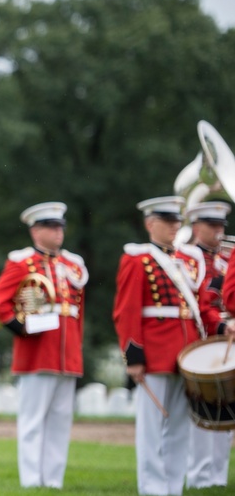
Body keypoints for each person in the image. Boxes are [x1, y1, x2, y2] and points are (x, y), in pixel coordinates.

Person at [114, 196, 233, 496]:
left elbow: (201, 307)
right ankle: (153, 488)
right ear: (150, 223)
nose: (174, 226)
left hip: (186, 352)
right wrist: (133, 355)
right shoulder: (137, 258)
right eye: (167, 221)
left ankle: (172, 486)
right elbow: (126, 311)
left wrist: (222, 325)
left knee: (180, 427)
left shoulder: (189, 259)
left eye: (176, 221)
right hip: (153, 352)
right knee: (152, 429)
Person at [0, 202, 88, 489]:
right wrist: (18, 326)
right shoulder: (22, 263)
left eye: (60, 227)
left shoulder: (72, 264)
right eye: (51, 227)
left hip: (67, 352)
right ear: (35, 231)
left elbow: (77, 310)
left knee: (60, 420)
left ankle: (52, 481)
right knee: (33, 421)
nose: (58, 232)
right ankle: (31, 481)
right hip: (37, 351)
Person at [183, 201, 232, 490]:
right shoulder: (189, 260)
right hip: (203, 339)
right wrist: (222, 324)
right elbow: (201, 305)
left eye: (221, 225)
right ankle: (200, 477)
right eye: (212, 225)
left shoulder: (227, 259)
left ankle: (217, 476)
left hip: (228, 338)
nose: (218, 231)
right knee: (203, 410)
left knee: (227, 408)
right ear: (196, 227)